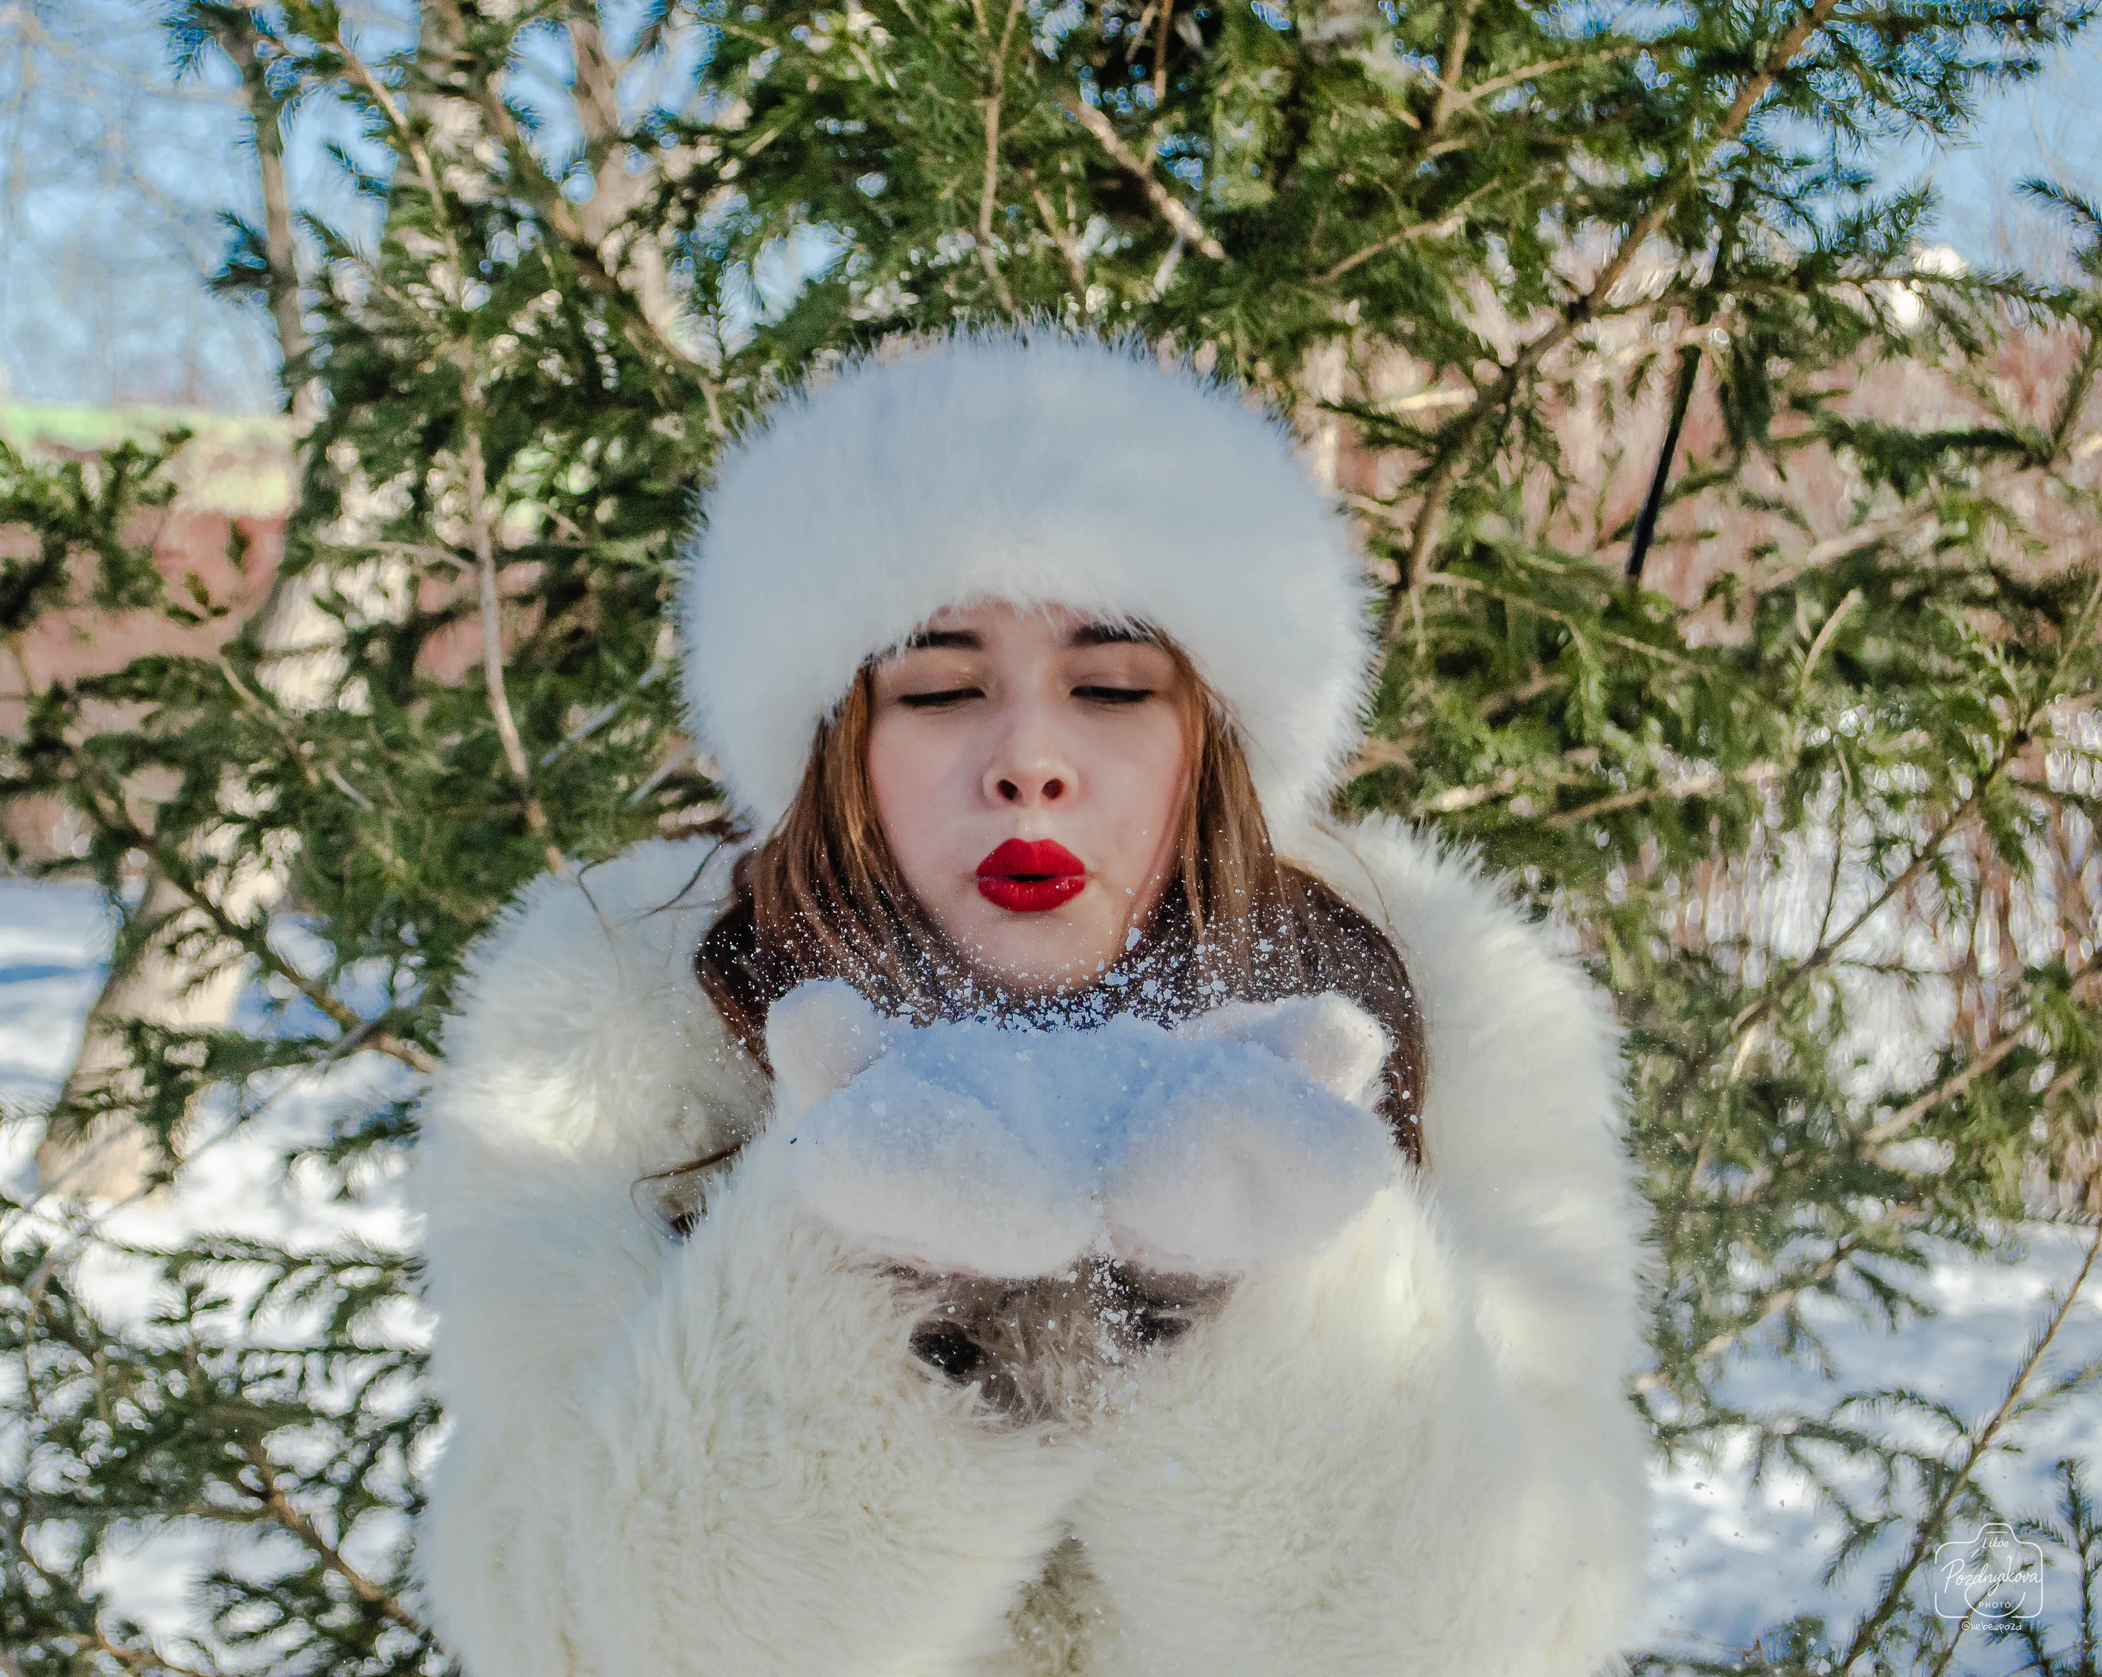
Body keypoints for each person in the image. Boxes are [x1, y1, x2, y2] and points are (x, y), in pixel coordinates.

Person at [404, 326, 1656, 1676]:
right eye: (941, 687)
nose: (1031, 762)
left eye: (1112, 685)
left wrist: (1267, 1294)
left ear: (1212, 736)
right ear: (839, 742)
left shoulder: (1443, 1007)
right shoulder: (617, 1024)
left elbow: (1521, 1628)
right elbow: (567, 1634)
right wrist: (849, 1269)